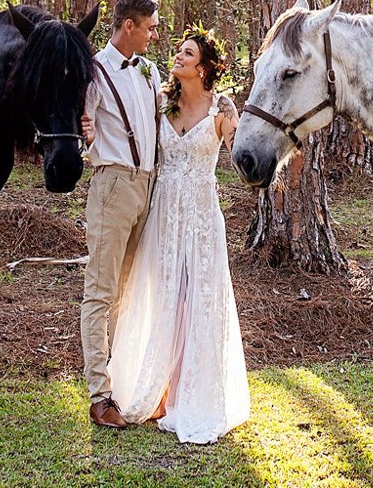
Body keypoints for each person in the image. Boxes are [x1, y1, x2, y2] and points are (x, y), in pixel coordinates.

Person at [105, 28, 251, 444]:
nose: (178, 57)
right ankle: (158, 388)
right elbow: (127, 125)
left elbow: (241, 158)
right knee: (161, 293)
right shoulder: (161, 105)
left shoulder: (221, 108)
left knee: (198, 300)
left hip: (203, 218)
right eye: (179, 52)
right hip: (164, 214)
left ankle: (192, 394)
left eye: (187, 53)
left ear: (203, 67)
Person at [80, 0, 162, 430]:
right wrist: (84, 127)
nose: (153, 35)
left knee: (130, 294)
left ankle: (124, 381)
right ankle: (99, 394)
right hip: (112, 185)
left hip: (148, 187)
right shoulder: (95, 69)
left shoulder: (149, 71)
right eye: (149, 27)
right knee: (102, 291)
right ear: (127, 26)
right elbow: (83, 123)